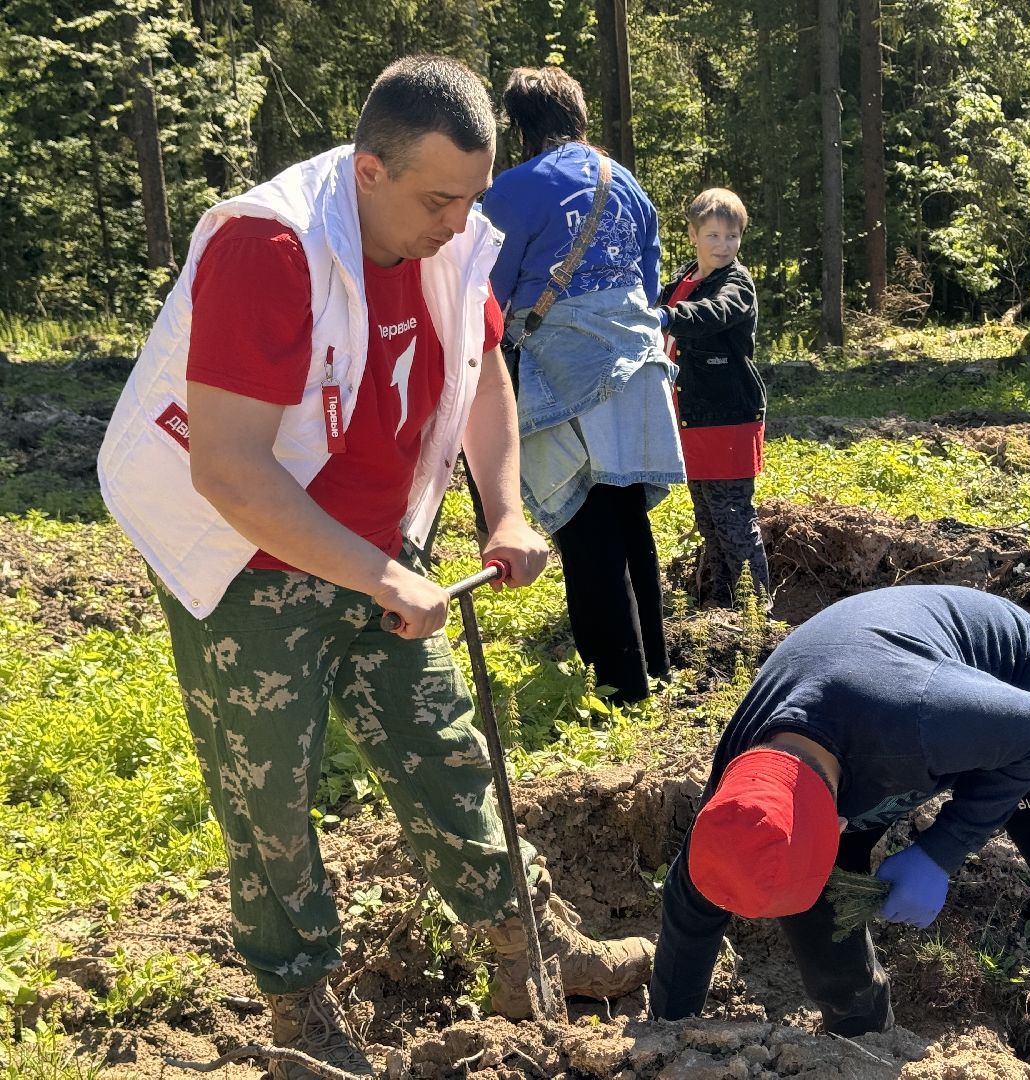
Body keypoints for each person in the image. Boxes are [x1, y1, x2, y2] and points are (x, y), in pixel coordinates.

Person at [97, 56, 652, 1079]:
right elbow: (228, 469)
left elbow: (481, 370)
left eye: (473, 197)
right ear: (369, 171)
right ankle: (300, 1007)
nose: (460, 223)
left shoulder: (450, 233)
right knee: (268, 789)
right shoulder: (270, 247)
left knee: (443, 745)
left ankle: (528, 944)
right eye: (440, 200)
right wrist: (379, 573)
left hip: (379, 539)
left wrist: (505, 509)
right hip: (247, 555)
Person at [649, 585, 1030, 1053]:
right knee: (819, 903)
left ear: (839, 821)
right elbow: (688, 914)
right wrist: (667, 1042)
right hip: (872, 705)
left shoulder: (919, 720)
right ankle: (865, 1050)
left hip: (1010, 693)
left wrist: (940, 851)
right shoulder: (745, 796)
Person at [480, 66, 685, 706]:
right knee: (626, 516)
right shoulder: (626, 183)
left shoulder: (515, 189)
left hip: (567, 369)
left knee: (584, 521)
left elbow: (484, 293)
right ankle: (656, 665)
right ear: (578, 115)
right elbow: (648, 285)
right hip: (636, 367)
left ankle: (620, 688)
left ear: (519, 125)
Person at [657, 189, 770, 609]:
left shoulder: (736, 283)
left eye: (732, 236)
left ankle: (758, 610)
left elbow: (715, 313)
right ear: (692, 234)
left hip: (728, 418)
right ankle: (722, 603)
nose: (723, 246)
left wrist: (667, 316)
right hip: (691, 417)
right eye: (713, 235)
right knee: (708, 519)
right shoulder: (684, 280)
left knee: (733, 518)